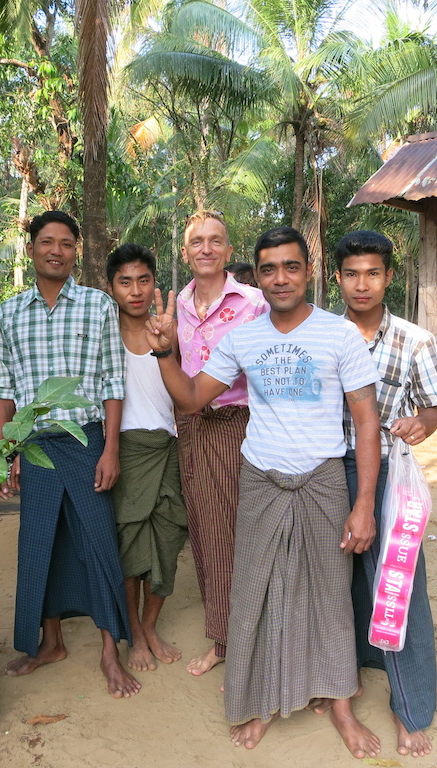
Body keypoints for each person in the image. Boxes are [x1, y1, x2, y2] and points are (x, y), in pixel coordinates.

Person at [146, 226, 384, 756]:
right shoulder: (244, 339)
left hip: (322, 481)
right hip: (259, 478)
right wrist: (164, 353)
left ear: (309, 271)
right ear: (258, 274)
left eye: (291, 267)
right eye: (270, 268)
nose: (281, 278)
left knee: (329, 594)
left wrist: (363, 503)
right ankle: (260, 704)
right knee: (255, 590)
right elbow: (190, 399)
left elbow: (366, 421)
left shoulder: (338, 335)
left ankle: (341, 704)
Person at [0, 210, 138, 698]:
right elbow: (5, 389)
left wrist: (110, 448)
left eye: (67, 244)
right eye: (47, 242)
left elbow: (112, 381)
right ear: (30, 248)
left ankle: (109, 651)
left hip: (86, 440)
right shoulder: (9, 313)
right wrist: (1, 452)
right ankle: (48, 642)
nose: (57, 251)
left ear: (77, 250)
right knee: (39, 544)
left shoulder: (97, 305)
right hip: (34, 449)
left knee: (97, 541)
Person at [333, 230, 437, 758]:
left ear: (389, 277)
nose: (363, 284)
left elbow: (433, 410)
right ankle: (339, 679)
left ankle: (410, 708)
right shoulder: (321, 334)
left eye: (373, 273)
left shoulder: (414, 341)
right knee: (330, 583)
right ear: (337, 278)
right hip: (322, 473)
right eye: (352, 273)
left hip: (385, 473)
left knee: (397, 585)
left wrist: (418, 424)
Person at [174, 210, 268, 677]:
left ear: (230, 252)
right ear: (185, 252)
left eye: (216, 241)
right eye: (197, 242)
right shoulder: (177, 306)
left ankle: (255, 637)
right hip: (191, 426)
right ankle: (223, 637)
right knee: (207, 533)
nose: (206, 249)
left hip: (241, 425)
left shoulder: (255, 302)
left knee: (243, 532)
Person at [105, 244, 189, 672]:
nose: (135, 291)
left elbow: (186, 395)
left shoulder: (173, 331)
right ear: (111, 287)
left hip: (168, 448)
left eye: (143, 280)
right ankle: (135, 634)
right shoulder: (103, 336)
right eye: (125, 282)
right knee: (129, 548)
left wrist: (169, 346)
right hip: (126, 453)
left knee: (169, 540)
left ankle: (151, 625)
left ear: (154, 283)